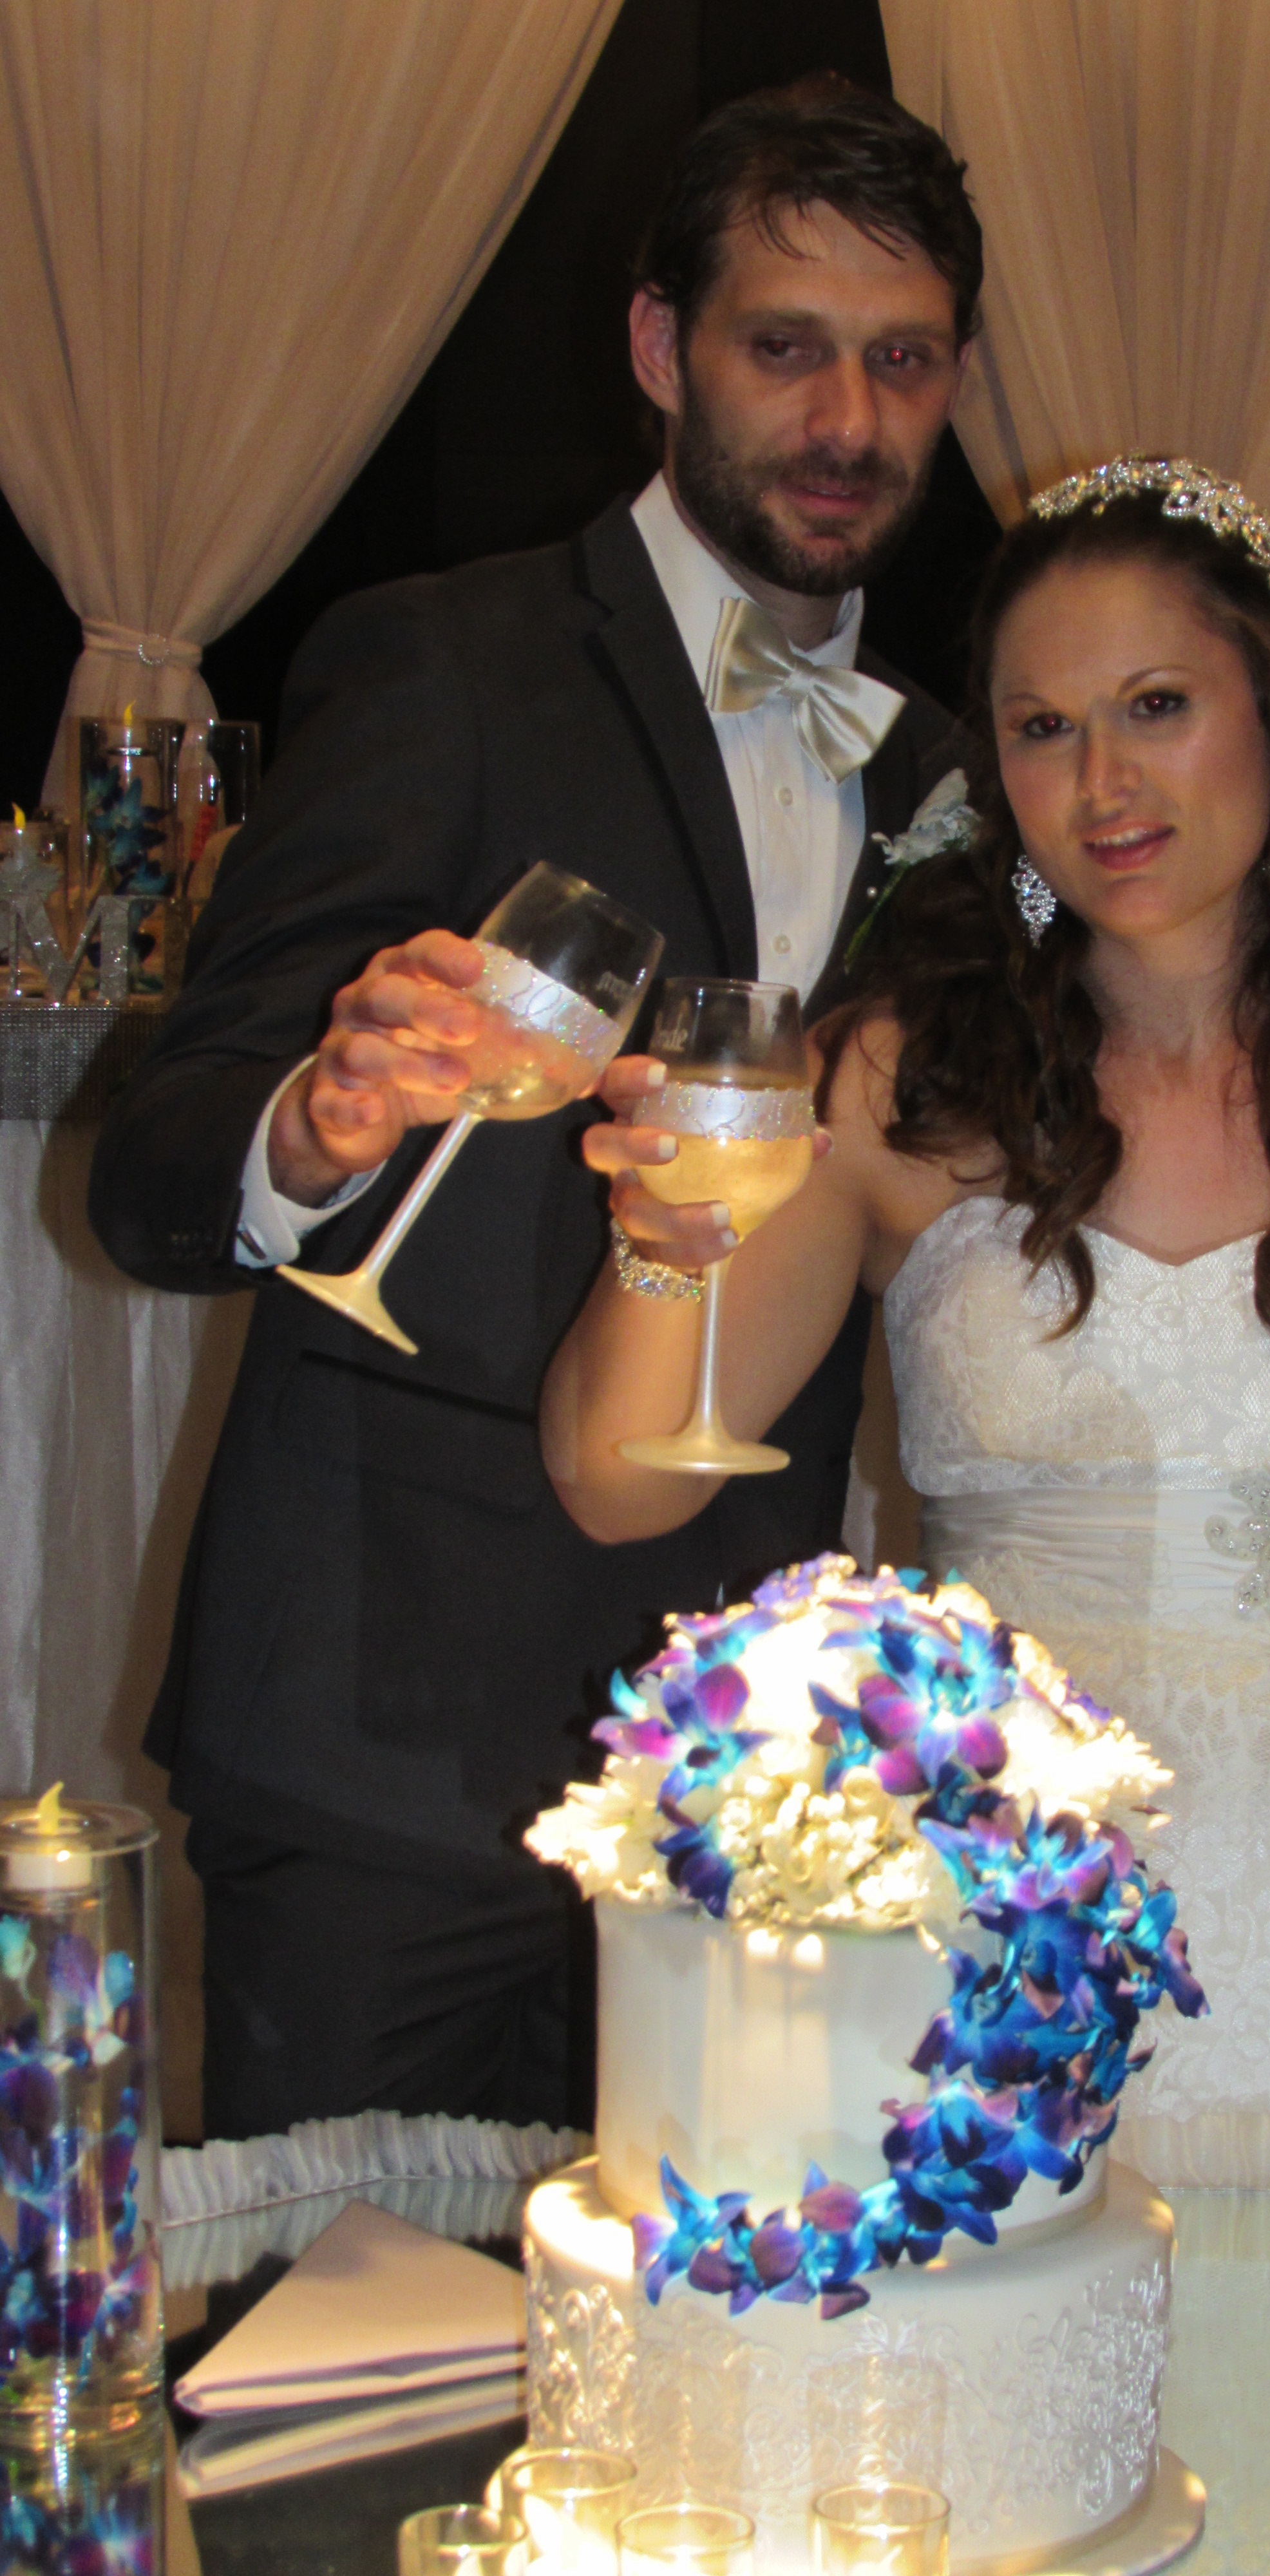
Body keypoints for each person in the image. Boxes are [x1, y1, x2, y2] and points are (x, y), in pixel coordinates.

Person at [86, 76, 982, 2139]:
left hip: (739, 1787)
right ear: (662, 348)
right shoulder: (442, 663)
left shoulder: (961, 773)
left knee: (679, 2336)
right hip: (383, 1753)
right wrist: (309, 1127)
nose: (848, 419)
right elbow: (154, 1168)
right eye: (785, 346)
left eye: (904, 361)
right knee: (338, 2324)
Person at [544, 459, 1270, 2180]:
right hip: (990, 1914)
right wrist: (661, 1246)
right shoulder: (899, 1081)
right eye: (1043, 729)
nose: (1103, 783)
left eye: (1158, 706)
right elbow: (618, 1481)